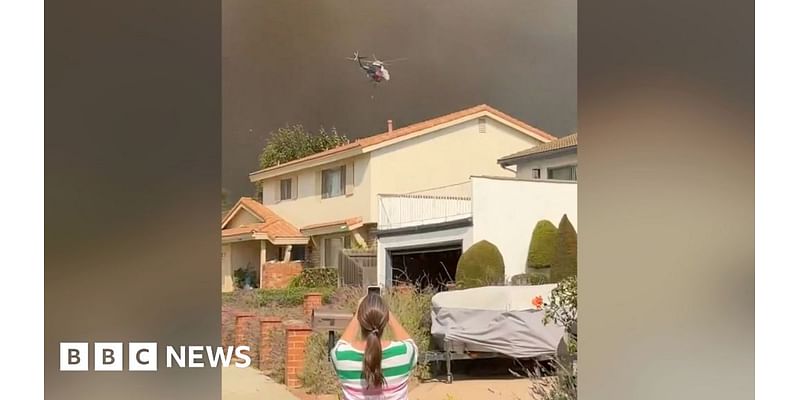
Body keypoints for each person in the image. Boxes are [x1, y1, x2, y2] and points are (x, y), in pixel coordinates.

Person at [330, 293, 418, 400]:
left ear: (360, 319)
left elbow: (341, 344)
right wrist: (386, 312)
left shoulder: (341, 356)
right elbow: (410, 342)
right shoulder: (405, 353)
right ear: (385, 319)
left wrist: (359, 312)